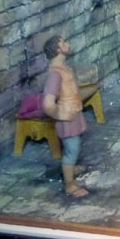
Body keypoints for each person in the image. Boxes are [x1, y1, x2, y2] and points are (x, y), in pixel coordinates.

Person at [41, 35, 89, 197]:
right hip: (66, 116)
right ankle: (69, 185)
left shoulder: (64, 68)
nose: (68, 45)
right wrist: (61, 115)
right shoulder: (55, 74)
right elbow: (48, 104)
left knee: (74, 145)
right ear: (58, 50)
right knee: (72, 149)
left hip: (73, 112)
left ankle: (70, 167)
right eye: (64, 43)